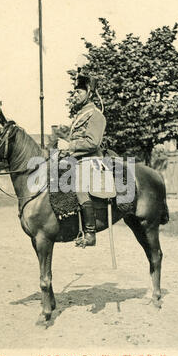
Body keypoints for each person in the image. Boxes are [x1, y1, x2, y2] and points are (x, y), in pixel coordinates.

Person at [58, 73, 106, 247]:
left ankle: (90, 233)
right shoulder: (80, 115)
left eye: (79, 92)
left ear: (89, 93)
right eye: (75, 92)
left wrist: (69, 146)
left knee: (78, 185)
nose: (75, 95)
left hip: (91, 160)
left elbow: (93, 143)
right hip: (77, 159)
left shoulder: (96, 115)